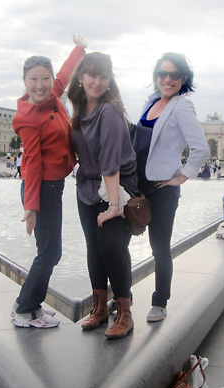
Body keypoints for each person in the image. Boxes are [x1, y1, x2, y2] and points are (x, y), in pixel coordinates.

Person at [10, 35, 87, 329]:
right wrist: (31, 207)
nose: (40, 85)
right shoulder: (27, 118)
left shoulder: (53, 94)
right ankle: (24, 308)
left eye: (45, 78)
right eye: (33, 80)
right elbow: (31, 162)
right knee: (50, 252)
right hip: (41, 187)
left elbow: (67, 73)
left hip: (53, 185)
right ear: (24, 81)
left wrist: (80, 48)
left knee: (49, 251)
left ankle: (32, 305)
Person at [131, 52, 210, 322]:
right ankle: (122, 297)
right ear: (155, 76)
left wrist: (182, 176)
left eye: (174, 74)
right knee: (119, 241)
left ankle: (160, 301)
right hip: (136, 184)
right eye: (162, 73)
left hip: (163, 188)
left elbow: (201, 148)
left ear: (183, 79)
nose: (167, 79)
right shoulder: (149, 102)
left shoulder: (182, 106)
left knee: (159, 247)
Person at [69, 52, 138, 339]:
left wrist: (113, 206)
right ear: (81, 78)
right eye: (92, 75)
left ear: (109, 81)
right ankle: (99, 308)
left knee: (111, 247)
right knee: (93, 249)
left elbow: (110, 163)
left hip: (117, 187)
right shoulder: (78, 110)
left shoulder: (108, 112)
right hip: (87, 187)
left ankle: (124, 311)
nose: (97, 81)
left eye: (103, 76)